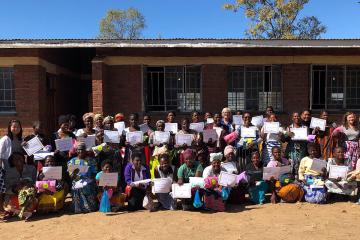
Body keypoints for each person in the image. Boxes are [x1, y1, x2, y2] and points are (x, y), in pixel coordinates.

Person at [3, 153, 37, 220]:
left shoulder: (31, 168)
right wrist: (14, 189)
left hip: (29, 194)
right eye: (15, 159)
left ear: (23, 159)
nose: (18, 160)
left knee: (30, 197)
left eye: (20, 158)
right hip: (13, 195)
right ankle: (22, 213)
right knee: (10, 203)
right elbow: (6, 188)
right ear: (12, 161)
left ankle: (23, 212)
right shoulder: (8, 172)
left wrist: (28, 186)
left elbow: (35, 183)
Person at [68, 143, 98, 213]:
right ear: (76, 150)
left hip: (88, 181)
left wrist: (89, 179)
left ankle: (89, 207)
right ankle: (78, 208)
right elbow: (71, 176)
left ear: (85, 150)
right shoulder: (72, 161)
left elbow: (94, 173)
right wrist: (74, 174)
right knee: (76, 185)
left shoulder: (91, 160)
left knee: (87, 185)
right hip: (76, 181)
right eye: (79, 149)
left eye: (82, 149)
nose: (80, 151)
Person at [284, 112, 308, 177]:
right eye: (295, 116)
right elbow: (284, 140)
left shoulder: (304, 127)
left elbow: (307, 139)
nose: (296, 117)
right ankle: (293, 178)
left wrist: (305, 137)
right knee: (293, 163)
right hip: (292, 149)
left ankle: (300, 178)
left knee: (301, 163)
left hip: (302, 149)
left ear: (300, 117)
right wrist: (287, 134)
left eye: (297, 116)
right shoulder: (289, 128)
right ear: (292, 118)